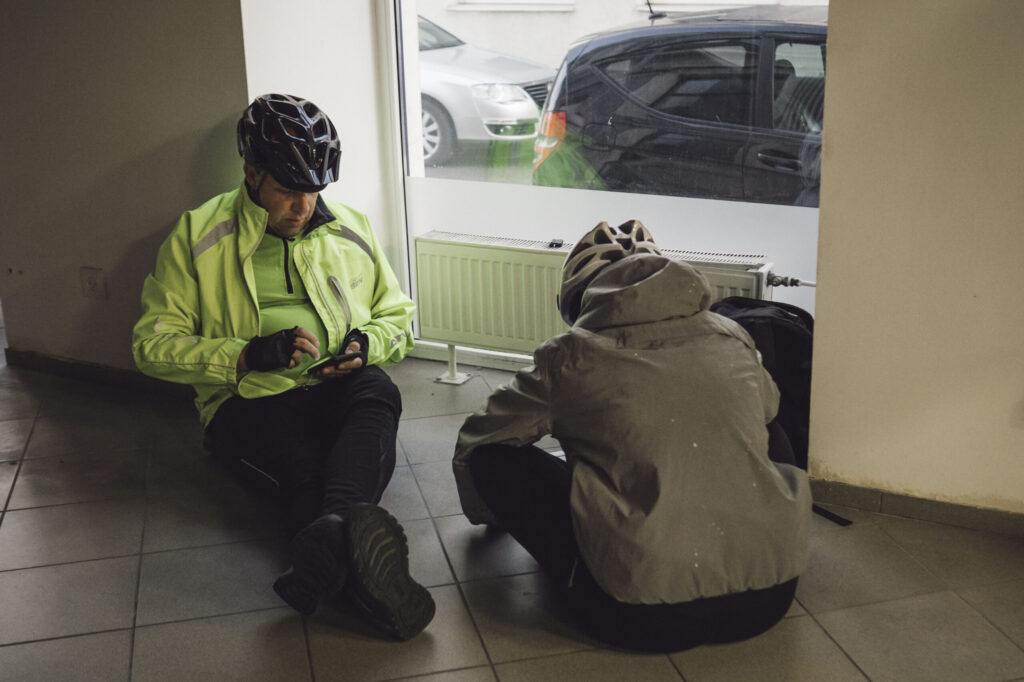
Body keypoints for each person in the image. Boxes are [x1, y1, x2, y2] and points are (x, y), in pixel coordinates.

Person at [133, 93, 434, 640]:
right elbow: (151, 346)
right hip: (248, 399)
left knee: (378, 391)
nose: (304, 206)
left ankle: (331, 537)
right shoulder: (198, 235)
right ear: (251, 174)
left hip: (336, 384)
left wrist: (365, 344)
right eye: (289, 191)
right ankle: (364, 573)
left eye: (315, 190)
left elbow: (399, 316)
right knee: (308, 473)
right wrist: (245, 354)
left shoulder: (351, 227)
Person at [452, 220, 811, 652]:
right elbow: (768, 410)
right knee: (768, 422)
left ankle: (586, 574)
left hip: (643, 617)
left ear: (582, 301)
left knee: (493, 457)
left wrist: (490, 512)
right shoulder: (732, 335)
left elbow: (480, 437)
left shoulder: (569, 356)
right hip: (769, 599)